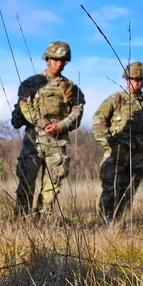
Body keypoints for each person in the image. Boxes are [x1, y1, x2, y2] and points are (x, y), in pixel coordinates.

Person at [12, 41, 85, 215]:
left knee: (53, 184)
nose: (59, 63)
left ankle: (43, 219)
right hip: (34, 138)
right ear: (47, 60)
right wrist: (44, 124)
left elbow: (77, 111)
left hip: (58, 140)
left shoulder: (71, 88)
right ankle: (21, 218)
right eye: (55, 59)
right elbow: (24, 106)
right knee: (26, 180)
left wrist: (59, 126)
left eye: (62, 60)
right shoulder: (32, 83)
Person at [92, 61, 143, 221]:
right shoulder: (116, 100)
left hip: (138, 155)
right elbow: (98, 120)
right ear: (126, 79)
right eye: (132, 78)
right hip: (116, 154)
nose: (136, 82)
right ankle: (105, 222)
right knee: (111, 188)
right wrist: (108, 143)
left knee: (129, 190)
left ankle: (117, 221)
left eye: (140, 79)